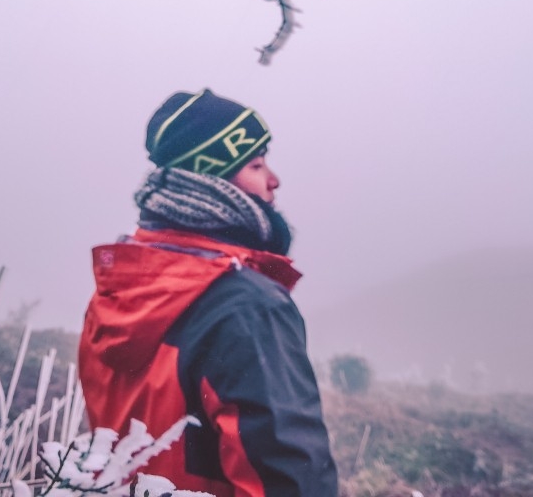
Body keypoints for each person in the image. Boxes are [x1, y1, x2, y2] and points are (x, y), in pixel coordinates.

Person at [78, 89, 338, 497]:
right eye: (256, 164)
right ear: (210, 183)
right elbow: (286, 482)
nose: (274, 180)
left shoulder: (118, 292)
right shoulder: (247, 308)